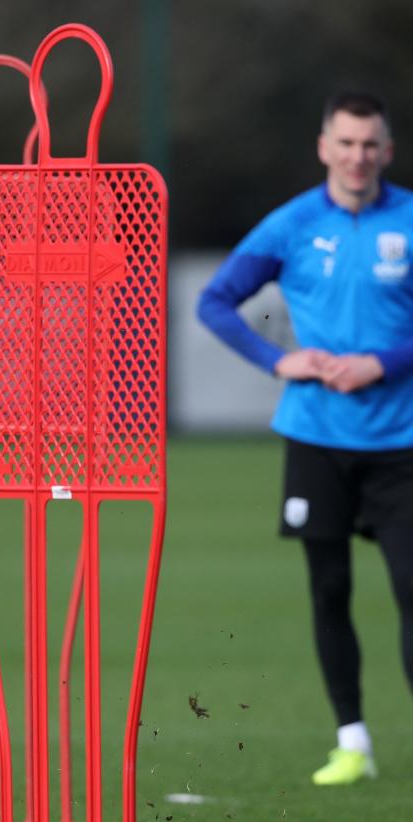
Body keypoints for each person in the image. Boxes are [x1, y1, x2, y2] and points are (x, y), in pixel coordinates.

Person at [198, 91, 413, 786]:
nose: (358, 156)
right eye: (346, 143)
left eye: (370, 144)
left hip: (401, 440)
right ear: (325, 146)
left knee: (410, 588)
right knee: (329, 590)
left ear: (387, 149)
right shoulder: (292, 224)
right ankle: (352, 739)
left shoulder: (407, 220)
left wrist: (386, 361)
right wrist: (276, 360)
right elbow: (215, 301)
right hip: (316, 436)